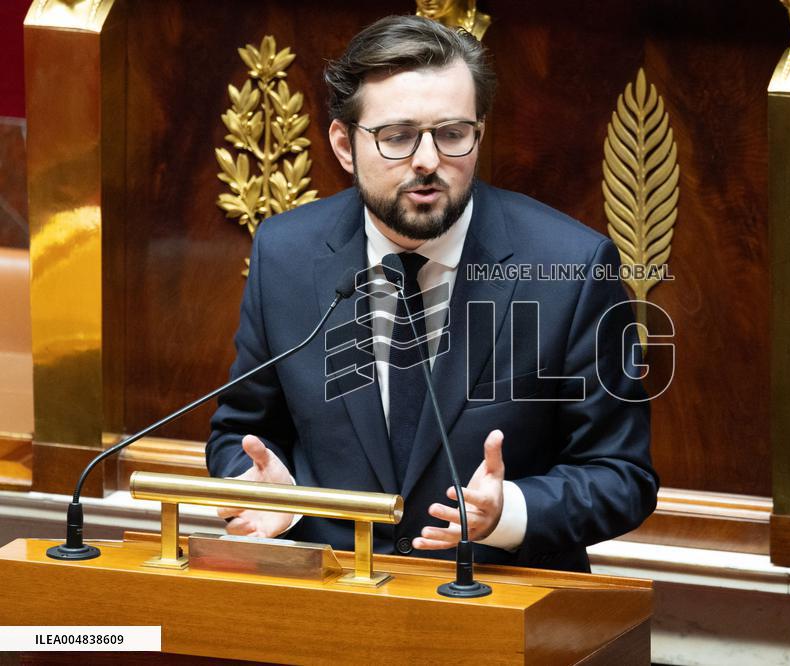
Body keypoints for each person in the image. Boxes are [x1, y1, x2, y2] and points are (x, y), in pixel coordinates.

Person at [206, 15, 658, 572]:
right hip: (332, 592)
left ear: (478, 136)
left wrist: (510, 512)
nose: (427, 160)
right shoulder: (286, 253)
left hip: (499, 595)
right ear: (344, 145)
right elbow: (242, 430)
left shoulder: (571, 267)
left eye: (451, 134)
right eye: (397, 137)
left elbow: (622, 475)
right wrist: (264, 489)